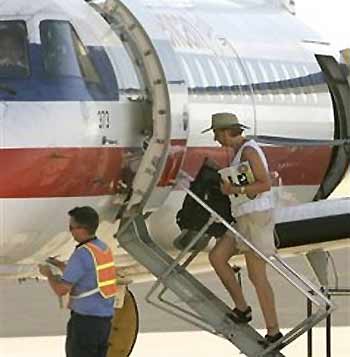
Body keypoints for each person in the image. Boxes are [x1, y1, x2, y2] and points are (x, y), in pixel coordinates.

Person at [203, 112, 283, 344]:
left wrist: (234, 190)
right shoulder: (240, 152)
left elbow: (265, 183)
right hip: (243, 218)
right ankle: (242, 308)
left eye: (217, 134)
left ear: (227, 131)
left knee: (257, 277)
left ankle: (274, 331)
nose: (216, 139)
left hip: (256, 217)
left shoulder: (248, 151)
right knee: (218, 257)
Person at [39, 206, 117, 357]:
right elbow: (90, 274)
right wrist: (62, 266)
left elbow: (61, 290)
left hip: (85, 324)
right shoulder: (102, 249)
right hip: (103, 323)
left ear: (82, 229)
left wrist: (48, 274)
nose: (70, 231)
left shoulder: (81, 254)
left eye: (71, 227)